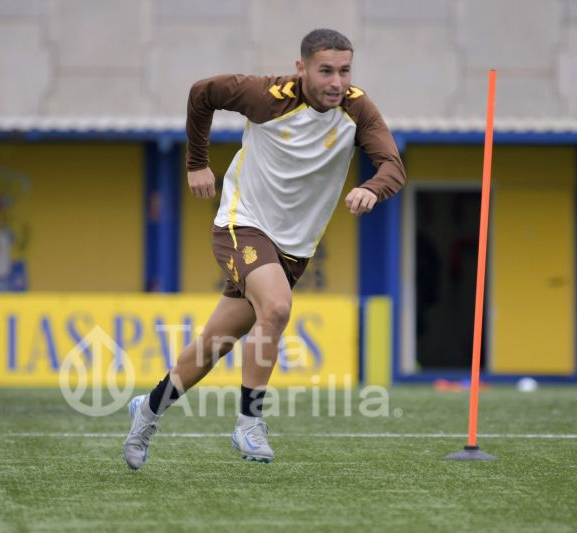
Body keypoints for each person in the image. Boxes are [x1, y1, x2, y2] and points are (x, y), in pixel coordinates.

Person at [123, 28, 406, 469]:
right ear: (301, 68)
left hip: (293, 250)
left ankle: (146, 411)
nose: (336, 82)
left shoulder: (357, 109)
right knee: (276, 307)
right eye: (325, 71)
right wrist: (197, 163)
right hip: (242, 223)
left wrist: (372, 187)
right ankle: (249, 422)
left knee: (213, 345)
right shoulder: (266, 96)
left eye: (344, 71)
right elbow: (202, 93)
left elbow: (393, 166)